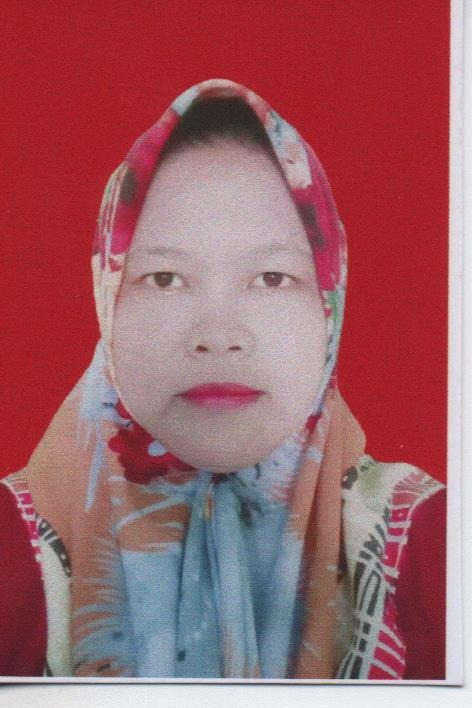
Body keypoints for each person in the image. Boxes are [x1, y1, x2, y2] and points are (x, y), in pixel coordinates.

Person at [0, 79, 446, 679]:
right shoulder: (12, 550)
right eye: (164, 278)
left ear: (329, 304)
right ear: (108, 301)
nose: (217, 334)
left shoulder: (436, 545)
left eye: (271, 278)